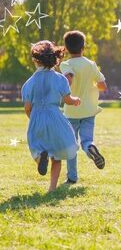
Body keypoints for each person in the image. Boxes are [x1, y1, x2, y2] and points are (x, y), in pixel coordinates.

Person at [22, 41, 80, 192]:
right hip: (55, 117)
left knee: (37, 148)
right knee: (57, 155)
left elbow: (27, 108)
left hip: (37, 118)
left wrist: (33, 118)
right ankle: (52, 189)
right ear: (56, 58)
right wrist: (75, 100)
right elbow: (67, 99)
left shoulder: (29, 83)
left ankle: (41, 158)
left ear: (35, 60)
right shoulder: (61, 79)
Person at [60, 31, 107, 184]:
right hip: (89, 110)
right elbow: (103, 86)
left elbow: (68, 79)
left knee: (71, 145)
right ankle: (91, 148)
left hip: (72, 111)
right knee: (87, 140)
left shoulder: (65, 64)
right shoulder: (90, 64)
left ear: (66, 49)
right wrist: (91, 86)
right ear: (83, 47)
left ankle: (72, 177)